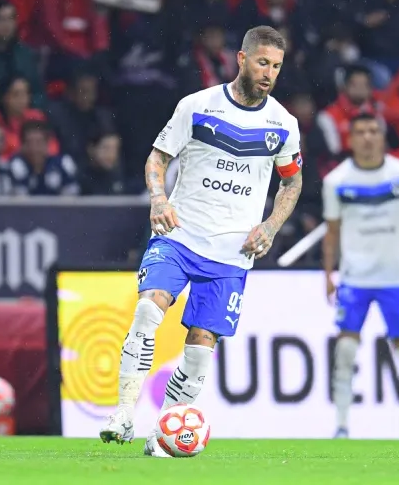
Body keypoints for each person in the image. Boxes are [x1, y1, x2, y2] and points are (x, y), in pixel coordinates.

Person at [99, 26, 303, 456]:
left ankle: (163, 435)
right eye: (263, 62)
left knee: (202, 343)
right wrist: (158, 197)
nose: (269, 73)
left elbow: (292, 184)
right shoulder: (197, 106)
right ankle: (122, 414)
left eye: (277, 66)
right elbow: (159, 156)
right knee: (148, 308)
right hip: (179, 234)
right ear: (242, 59)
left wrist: (269, 226)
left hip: (232, 252)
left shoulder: (283, 124)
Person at [320, 112, 399, 440]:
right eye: (361, 132)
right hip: (354, 279)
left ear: (383, 136)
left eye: (374, 131)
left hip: (394, 278)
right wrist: (328, 274)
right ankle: (341, 426)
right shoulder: (337, 181)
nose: (368, 137)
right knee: (344, 352)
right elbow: (331, 232)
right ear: (351, 138)